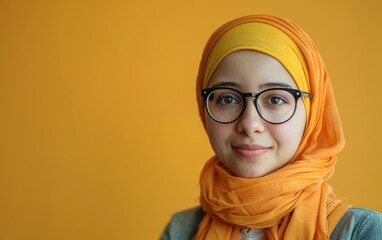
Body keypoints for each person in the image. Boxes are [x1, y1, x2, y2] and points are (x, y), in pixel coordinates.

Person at [160, 14, 382, 240]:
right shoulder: (181, 231)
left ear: (311, 111)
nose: (249, 124)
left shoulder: (363, 233)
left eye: (275, 99)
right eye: (227, 99)